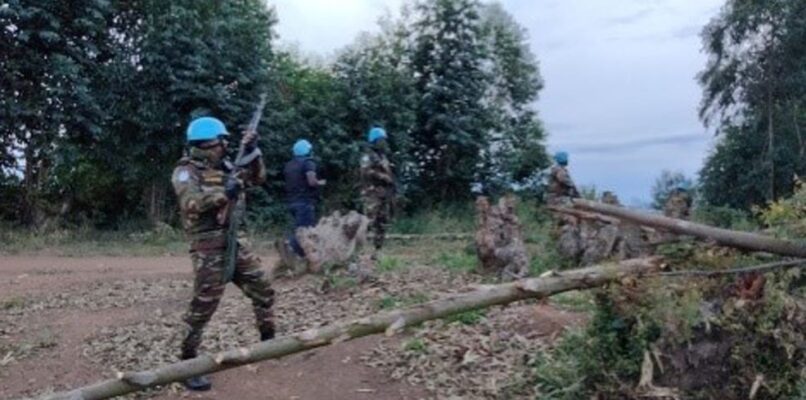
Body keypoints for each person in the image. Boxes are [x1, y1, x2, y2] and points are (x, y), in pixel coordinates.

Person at [171, 116, 275, 391]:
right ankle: (187, 363)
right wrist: (224, 194)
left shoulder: (229, 166)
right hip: (208, 247)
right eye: (221, 142)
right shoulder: (186, 171)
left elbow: (258, 178)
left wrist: (254, 152)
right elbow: (191, 202)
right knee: (203, 307)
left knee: (263, 290)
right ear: (205, 145)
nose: (226, 147)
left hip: (235, 242)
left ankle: (269, 342)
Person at [283, 139, 325, 257]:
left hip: (291, 201)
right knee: (305, 231)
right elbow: (311, 182)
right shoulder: (308, 163)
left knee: (298, 229)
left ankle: (295, 252)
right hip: (304, 202)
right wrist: (320, 182)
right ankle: (293, 252)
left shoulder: (289, 165)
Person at [360, 127, 395, 253]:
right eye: (381, 140)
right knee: (369, 222)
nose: (383, 143)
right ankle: (362, 250)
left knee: (382, 222)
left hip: (384, 193)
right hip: (372, 193)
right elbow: (365, 172)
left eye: (384, 140)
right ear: (375, 141)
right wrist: (382, 177)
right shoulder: (368, 156)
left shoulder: (383, 157)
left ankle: (377, 250)